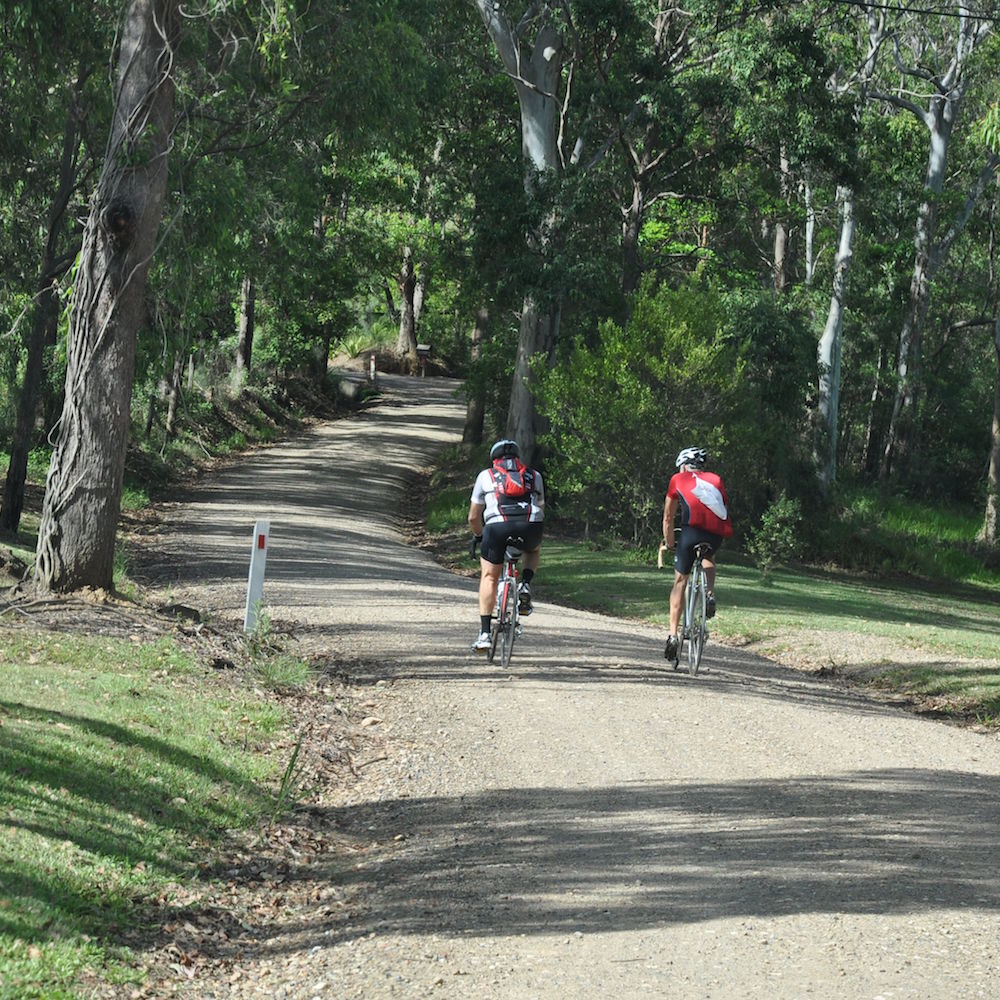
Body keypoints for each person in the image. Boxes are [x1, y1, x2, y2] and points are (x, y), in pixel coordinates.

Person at [468, 439, 545, 652]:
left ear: (494, 459)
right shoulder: (534, 475)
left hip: (497, 528)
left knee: (490, 576)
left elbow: (473, 517)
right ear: (518, 458)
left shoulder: (486, 476)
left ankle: (484, 634)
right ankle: (526, 583)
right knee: (533, 548)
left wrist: (479, 535)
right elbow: (540, 507)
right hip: (530, 526)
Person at [662, 446, 732, 661]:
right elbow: (722, 509)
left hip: (690, 533)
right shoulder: (717, 480)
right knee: (709, 557)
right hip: (715, 535)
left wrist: (670, 542)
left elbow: (668, 517)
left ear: (683, 465)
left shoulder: (678, 479)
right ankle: (709, 593)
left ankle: (673, 635)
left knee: (680, 581)